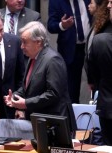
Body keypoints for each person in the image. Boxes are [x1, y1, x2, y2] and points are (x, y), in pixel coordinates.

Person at [4, 21, 77, 133]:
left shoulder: (53, 60)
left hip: (56, 124)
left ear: (38, 42)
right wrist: (14, 97)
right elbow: (26, 88)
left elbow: (53, 93)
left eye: (24, 42)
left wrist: (26, 103)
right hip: (40, 123)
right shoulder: (32, 58)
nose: (21, 47)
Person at [48, 0, 92, 104]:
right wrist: (62, 25)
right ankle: (73, 116)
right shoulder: (56, 1)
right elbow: (50, 25)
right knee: (72, 90)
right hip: (71, 49)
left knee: (96, 83)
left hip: (92, 46)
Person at [86, 0, 112, 145]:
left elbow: (93, 78)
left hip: (107, 107)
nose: (108, 6)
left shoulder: (99, 41)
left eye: (111, 3)